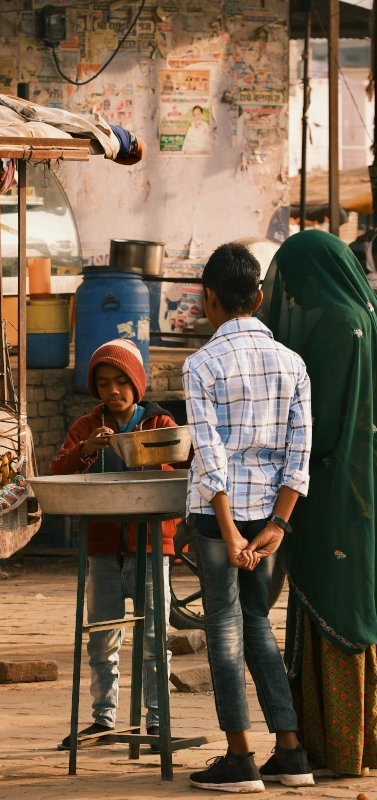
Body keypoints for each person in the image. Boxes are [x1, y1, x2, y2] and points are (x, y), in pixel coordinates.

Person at [184, 242, 314, 792]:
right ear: (258, 298)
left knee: (224, 626)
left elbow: (209, 457)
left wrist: (231, 530)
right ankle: (291, 752)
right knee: (257, 620)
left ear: (207, 299)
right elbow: (298, 455)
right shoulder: (292, 363)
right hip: (267, 518)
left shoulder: (201, 365)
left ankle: (239, 759)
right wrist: (276, 527)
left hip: (221, 521)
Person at [264, 229, 377, 777]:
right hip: (363, 483)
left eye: (297, 282)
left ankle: (336, 744)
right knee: (358, 600)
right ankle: (359, 744)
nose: (292, 298)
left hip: (332, 488)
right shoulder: (366, 317)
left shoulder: (336, 326)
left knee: (333, 604)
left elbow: (322, 424)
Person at [50, 339, 176, 752]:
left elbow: (183, 467)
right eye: (104, 384)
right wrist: (86, 451)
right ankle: (103, 719)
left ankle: (158, 722)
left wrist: (148, 455)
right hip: (102, 548)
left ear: (137, 384)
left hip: (151, 547)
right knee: (102, 638)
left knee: (154, 639)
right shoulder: (86, 427)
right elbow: (58, 469)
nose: (114, 391)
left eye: (122, 382)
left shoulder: (159, 425)